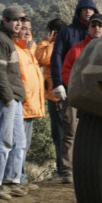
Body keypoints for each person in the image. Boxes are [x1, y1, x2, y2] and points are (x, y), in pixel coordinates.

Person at [51, 0, 98, 184]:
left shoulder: (100, 35)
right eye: (84, 8)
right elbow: (56, 59)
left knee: (93, 131)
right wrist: (58, 84)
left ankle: (89, 168)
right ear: (78, 11)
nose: (88, 11)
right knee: (70, 130)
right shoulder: (67, 32)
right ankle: (67, 171)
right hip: (70, 88)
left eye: (91, 9)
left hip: (94, 91)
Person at [0, 6, 27, 200]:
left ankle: (10, 181)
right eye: (13, 20)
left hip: (12, 98)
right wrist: (8, 97)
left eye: (20, 20)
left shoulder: (7, 40)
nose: (17, 23)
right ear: (4, 20)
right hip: (3, 99)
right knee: (2, 141)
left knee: (19, 141)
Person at [7, 16, 44, 188]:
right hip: (21, 105)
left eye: (29, 28)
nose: (27, 31)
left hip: (31, 105)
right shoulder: (14, 50)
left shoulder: (29, 51)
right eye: (23, 28)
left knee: (24, 144)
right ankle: (16, 178)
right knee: (17, 144)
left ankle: (20, 176)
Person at [35, 18, 66, 180]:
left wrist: (45, 41)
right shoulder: (64, 44)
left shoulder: (54, 45)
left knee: (59, 135)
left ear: (53, 32)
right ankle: (64, 168)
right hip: (58, 95)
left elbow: (40, 58)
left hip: (55, 97)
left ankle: (62, 169)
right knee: (63, 134)